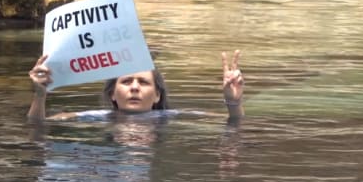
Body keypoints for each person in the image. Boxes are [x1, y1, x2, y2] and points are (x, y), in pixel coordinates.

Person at [27, 50, 245, 123]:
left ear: (157, 96)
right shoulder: (98, 117)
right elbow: (39, 126)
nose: (134, 88)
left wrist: (233, 102)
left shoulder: (170, 117)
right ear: (112, 94)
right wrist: (40, 95)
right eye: (126, 81)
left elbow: (232, 123)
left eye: (143, 82)